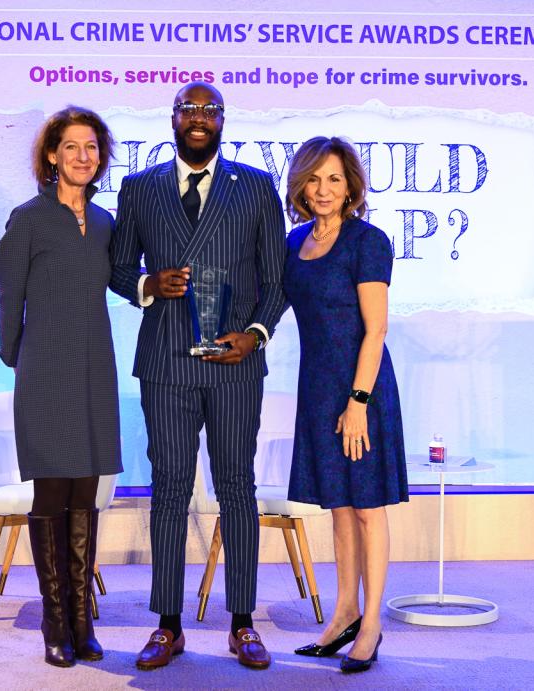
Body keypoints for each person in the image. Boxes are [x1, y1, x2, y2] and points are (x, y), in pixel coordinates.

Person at [110, 82, 287, 671]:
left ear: (223, 121)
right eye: (190, 109)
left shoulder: (256, 186)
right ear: (172, 118)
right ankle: (167, 625)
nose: (200, 118)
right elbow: (116, 269)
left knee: (237, 487)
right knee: (169, 491)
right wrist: (146, 285)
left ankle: (242, 623)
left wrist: (255, 335)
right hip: (165, 363)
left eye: (210, 110)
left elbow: (277, 278)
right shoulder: (139, 188)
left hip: (236, 364)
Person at [0, 106, 123, 668]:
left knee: (85, 495)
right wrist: (21, 357)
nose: (82, 156)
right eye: (71, 147)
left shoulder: (104, 223)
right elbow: (8, 296)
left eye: (91, 147)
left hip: (96, 365)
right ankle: (53, 622)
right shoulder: (27, 218)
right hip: (44, 368)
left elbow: (121, 281)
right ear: (52, 155)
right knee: (50, 495)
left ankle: (81, 619)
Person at [282, 136, 408, 674]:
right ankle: (343, 613)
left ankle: (372, 623)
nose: (324, 189)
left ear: (351, 185)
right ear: (301, 187)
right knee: (338, 508)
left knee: (366, 507)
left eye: (335, 179)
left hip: (363, 389)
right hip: (317, 389)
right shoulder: (294, 243)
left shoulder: (368, 241)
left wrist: (358, 401)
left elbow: (375, 329)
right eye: (314, 179)